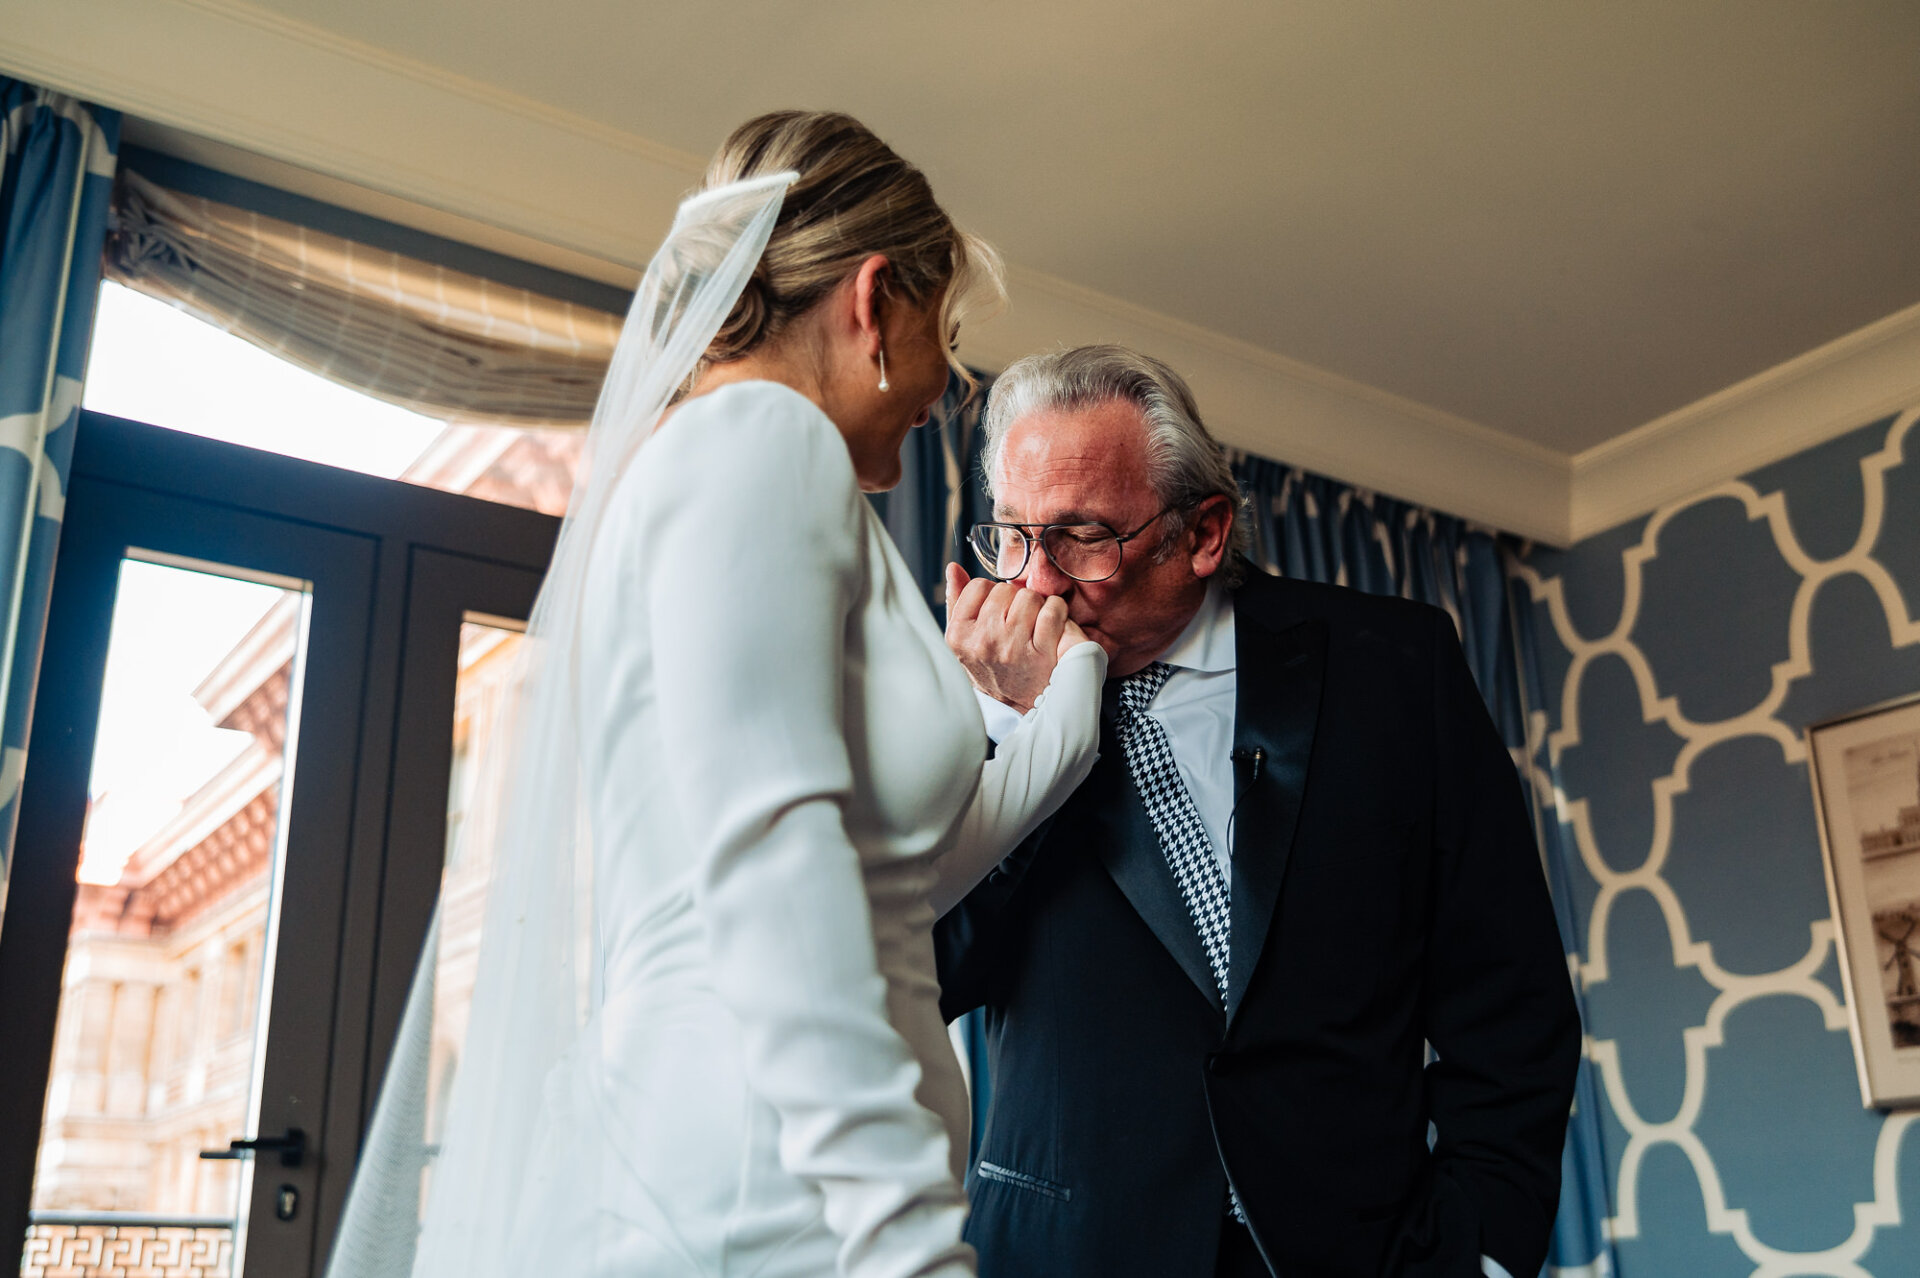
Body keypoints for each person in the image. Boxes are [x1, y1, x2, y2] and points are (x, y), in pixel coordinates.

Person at [327, 113, 1107, 1278]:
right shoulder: (761, 435)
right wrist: (901, 1233)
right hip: (777, 1190)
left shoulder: (733, 460)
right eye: (945, 335)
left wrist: (1071, 693)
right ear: (873, 300)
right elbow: (773, 854)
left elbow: (883, 880)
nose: (944, 385)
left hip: (779, 1169)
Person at [936, 346, 1581, 1278]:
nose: (1036, 584)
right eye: (1015, 537)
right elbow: (931, 975)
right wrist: (1012, 732)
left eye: (1084, 537)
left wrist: (1480, 1252)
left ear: (1202, 533)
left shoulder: (1394, 669)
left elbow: (1510, 1000)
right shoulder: (961, 711)